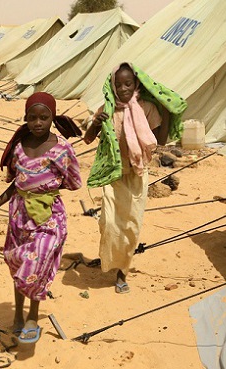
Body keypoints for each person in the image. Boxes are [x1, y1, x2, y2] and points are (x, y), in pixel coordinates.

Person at [0, 92, 82, 344]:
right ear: (25, 118)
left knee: (34, 264)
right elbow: (17, 182)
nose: (38, 123)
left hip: (48, 216)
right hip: (18, 215)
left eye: (44, 118)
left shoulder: (61, 149)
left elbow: (73, 181)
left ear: (52, 118)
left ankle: (33, 317)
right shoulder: (19, 146)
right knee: (18, 264)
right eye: (32, 118)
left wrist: (46, 188)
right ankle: (18, 315)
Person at [83, 62, 187, 294]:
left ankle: (122, 272)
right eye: (118, 84)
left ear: (136, 84)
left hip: (137, 174)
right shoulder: (107, 109)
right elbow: (88, 138)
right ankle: (110, 260)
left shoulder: (147, 109)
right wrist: (95, 125)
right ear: (112, 85)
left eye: (128, 83)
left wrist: (167, 113)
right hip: (113, 174)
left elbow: (159, 141)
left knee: (131, 226)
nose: (123, 89)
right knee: (109, 223)